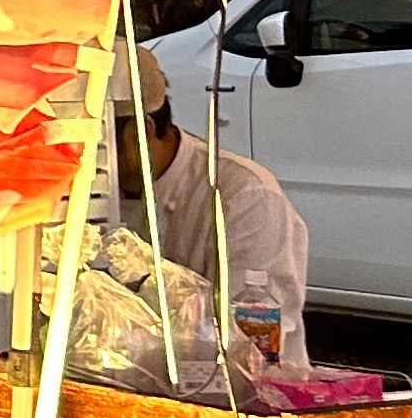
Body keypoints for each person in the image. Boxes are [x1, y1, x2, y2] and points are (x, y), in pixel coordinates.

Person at [117, 48, 313, 374]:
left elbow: (251, 342)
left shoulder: (244, 196)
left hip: (243, 404)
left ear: (141, 132)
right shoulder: (74, 194)